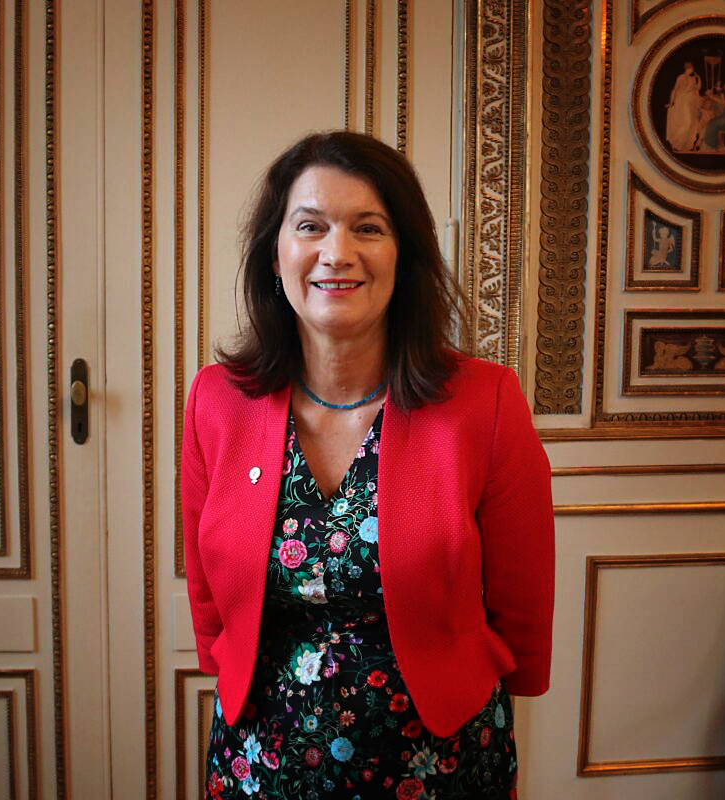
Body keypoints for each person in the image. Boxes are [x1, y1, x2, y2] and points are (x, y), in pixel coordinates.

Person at [182, 131, 554, 799]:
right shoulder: (217, 400)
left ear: (403, 255)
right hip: (260, 758)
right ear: (274, 253)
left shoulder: (485, 402)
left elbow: (521, 597)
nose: (337, 253)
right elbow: (208, 592)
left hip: (439, 762)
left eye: (368, 228)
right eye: (311, 226)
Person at [665, 62, 702, 151]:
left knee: (691, 123)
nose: (691, 70)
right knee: (686, 122)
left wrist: (698, 78)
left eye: (692, 69)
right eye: (690, 68)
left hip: (690, 103)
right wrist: (671, 102)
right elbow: (675, 89)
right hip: (682, 102)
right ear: (687, 68)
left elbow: (698, 88)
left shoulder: (692, 79)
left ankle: (684, 144)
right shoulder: (681, 77)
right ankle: (677, 142)